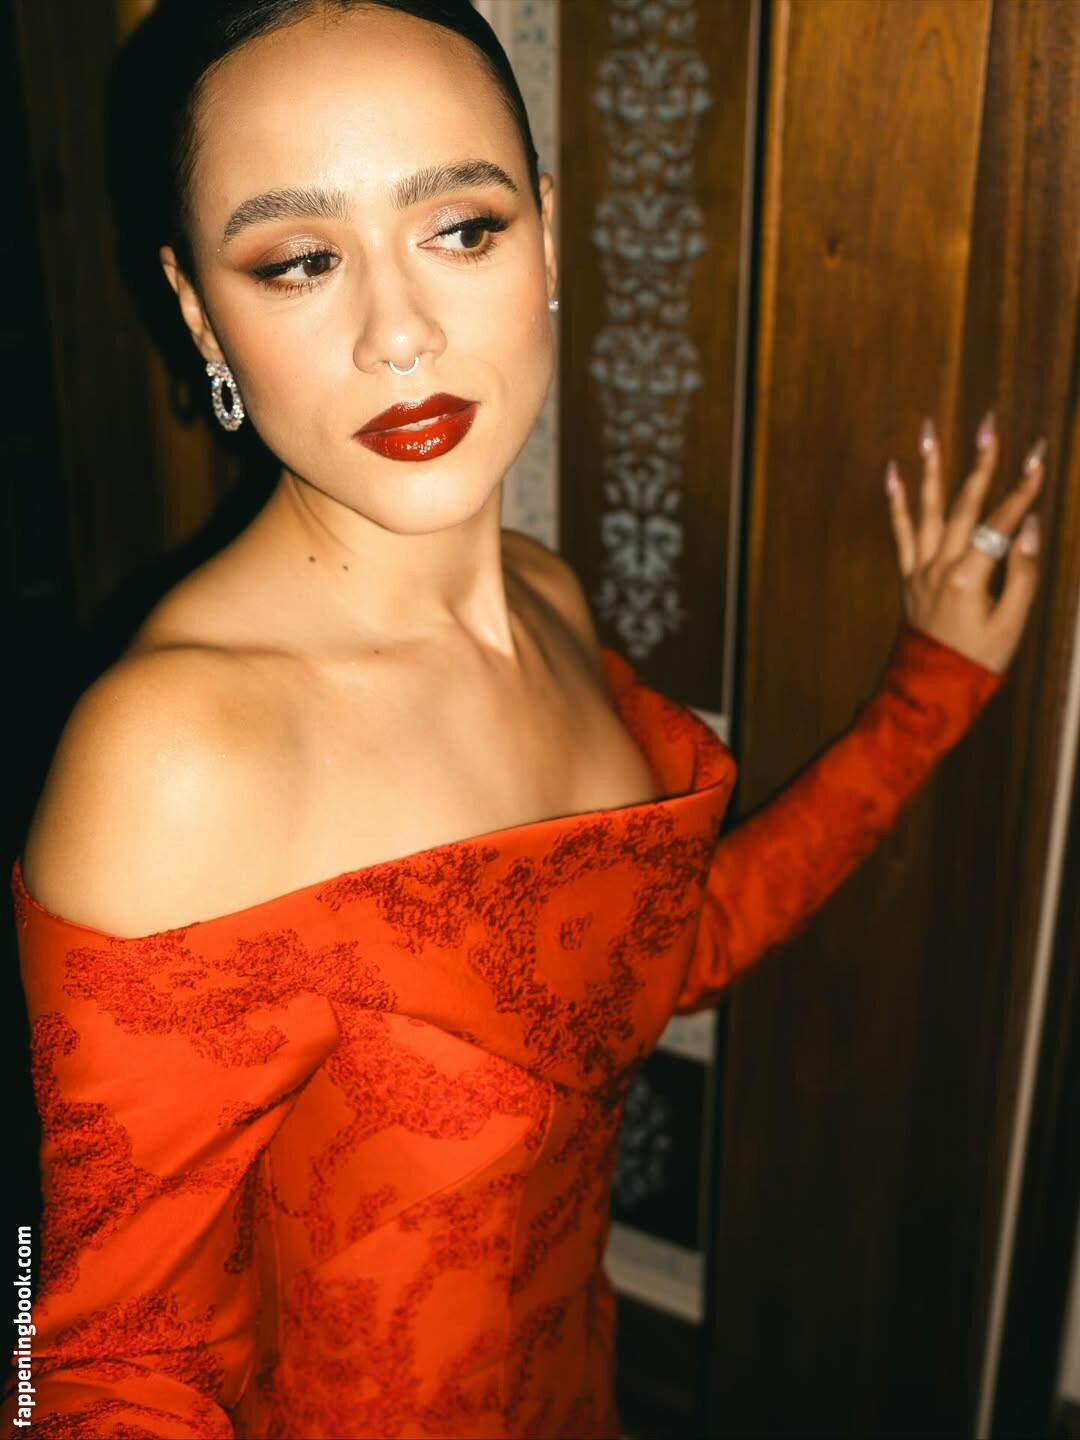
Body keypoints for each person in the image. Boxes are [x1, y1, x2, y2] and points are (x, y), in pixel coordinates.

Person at [2, 1, 1044, 1436]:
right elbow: (97, 1362)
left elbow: (666, 949)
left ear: (545, 235)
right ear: (198, 313)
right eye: (300, 261)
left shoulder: (548, 601)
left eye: (463, 228)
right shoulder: (175, 756)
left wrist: (931, 690)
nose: (400, 333)